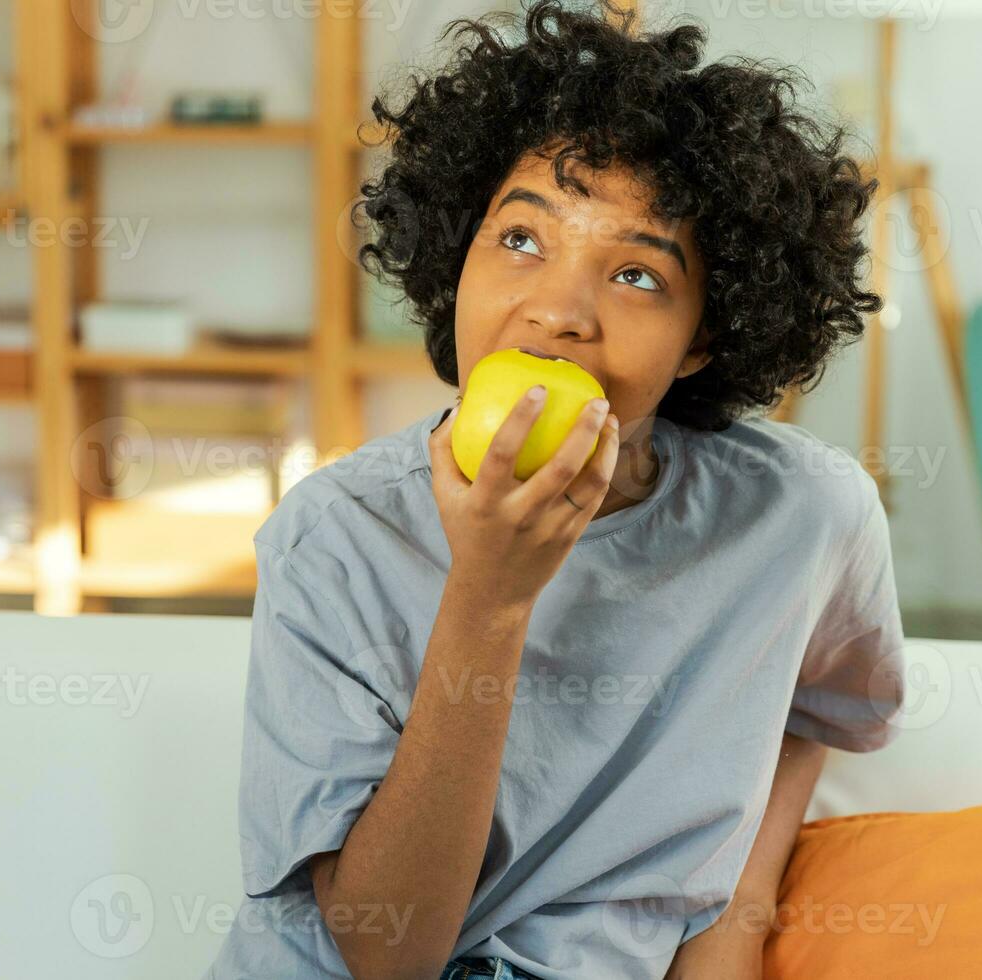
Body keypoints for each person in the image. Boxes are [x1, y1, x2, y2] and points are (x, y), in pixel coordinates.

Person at [208, 2, 905, 977]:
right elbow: (383, 951)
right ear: (456, 259)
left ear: (705, 334)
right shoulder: (337, 535)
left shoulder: (801, 515)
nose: (558, 312)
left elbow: (817, 709)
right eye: (522, 240)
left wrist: (734, 917)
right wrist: (488, 598)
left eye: (636, 274)